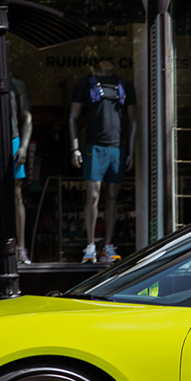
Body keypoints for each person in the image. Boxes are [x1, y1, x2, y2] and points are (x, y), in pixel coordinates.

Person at [68, 58, 136, 263]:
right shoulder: (84, 85)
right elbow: (72, 117)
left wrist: (131, 151)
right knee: (93, 195)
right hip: (94, 147)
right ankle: (90, 246)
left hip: (117, 148)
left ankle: (107, 245)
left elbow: (133, 121)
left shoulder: (124, 86)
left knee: (113, 196)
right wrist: (75, 147)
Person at [10, 75, 34, 264]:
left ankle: (21, 248)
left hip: (13, 140)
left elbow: (27, 116)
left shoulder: (17, 84)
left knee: (17, 194)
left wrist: (24, 146)